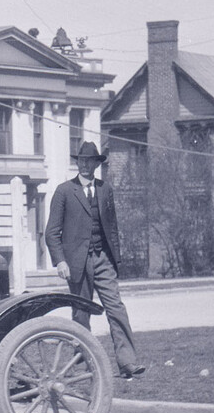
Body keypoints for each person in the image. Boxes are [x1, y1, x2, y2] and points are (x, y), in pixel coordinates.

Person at [45, 140, 145, 379]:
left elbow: (112, 228)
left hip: (103, 259)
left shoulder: (105, 189)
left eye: (89, 161)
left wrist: (115, 260)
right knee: (81, 314)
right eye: (81, 160)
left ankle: (127, 362)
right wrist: (61, 261)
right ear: (77, 162)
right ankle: (83, 363)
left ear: (96, 164)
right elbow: (51, 232)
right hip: (76, 263)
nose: (85, 165)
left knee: (116, 308)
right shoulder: (64, 191)